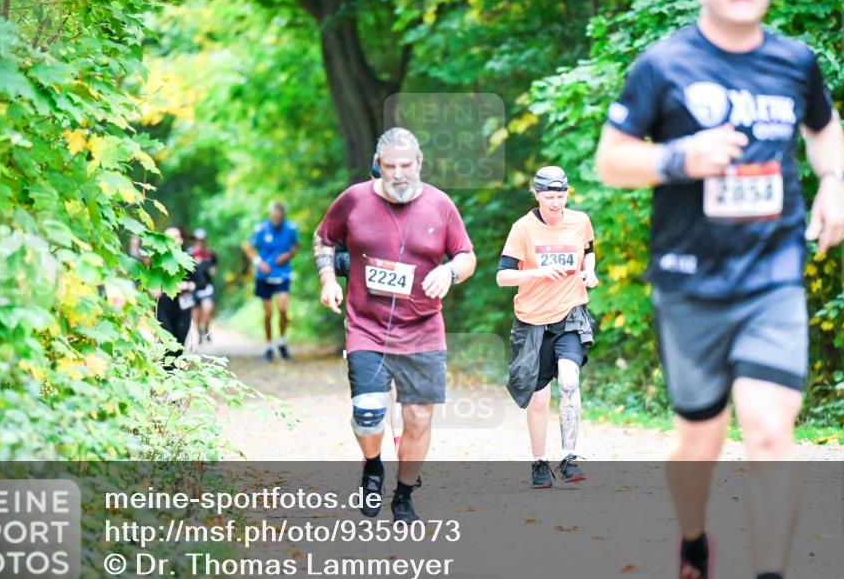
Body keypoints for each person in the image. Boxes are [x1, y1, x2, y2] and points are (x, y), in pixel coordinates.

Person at [594, 0, 844, 579]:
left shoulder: (796, 62)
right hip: (689, 281)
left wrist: (834, 182)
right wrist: (679, 157)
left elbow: (823, 129)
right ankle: (692, 546)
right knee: (699, 442)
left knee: (770, 431)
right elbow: (609, 158)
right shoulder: (663, 63)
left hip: (771, 277)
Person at [313, 127, 476, 523]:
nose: (399, 173)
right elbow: (324, 239)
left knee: (418, 417)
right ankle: (372, 466)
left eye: (406, 165)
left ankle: (403, 496)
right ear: (378, 165)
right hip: (366, 327)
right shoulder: (354, 200)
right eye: (390, 166)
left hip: (422, 329)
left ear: (419, 163)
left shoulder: (440, 205)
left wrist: (451, 272)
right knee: (368, 413)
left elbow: (467, 255)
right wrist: (328, 280)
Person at [497, 166, 598, 488]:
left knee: (569, 382)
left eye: (561, 195)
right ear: (536, 195)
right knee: (539, 399)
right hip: (532, 320)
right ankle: (539, 463)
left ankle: (569, 458)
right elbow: (502, 277)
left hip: (570, 312)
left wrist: (590, 273)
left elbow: (589, 253)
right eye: (549, 196)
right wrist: (537, 273)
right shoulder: (523, 229)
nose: (556, 203)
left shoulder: (580, 221)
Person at [243, 202, 299, 361]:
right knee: (268, 312)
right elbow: (249, 247)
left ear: (283, 217)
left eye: (280, 218)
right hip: (264, 275)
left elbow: (296, 246)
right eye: (274, 217)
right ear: (270, 216)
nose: (277, 220)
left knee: (282, 308)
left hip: (283, 274)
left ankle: (281, 341)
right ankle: (268, 346)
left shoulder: (290, 228)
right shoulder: (261, 229)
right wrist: (259, 263)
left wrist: (288, 255)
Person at [154, 227, 201, 364]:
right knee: (168, 341)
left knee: (179, 343)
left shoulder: (187, 260)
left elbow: (201, 282)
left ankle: (174, 377)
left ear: (180, 240)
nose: (172, 241)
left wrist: (186, 286)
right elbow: (148, 283)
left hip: (183, 307)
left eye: (175, 237)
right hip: (163, 306)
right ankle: (167, 374)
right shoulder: (157, 260)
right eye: (167, 238)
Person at [190, 228, 218, 344]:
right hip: (194, 288)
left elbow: (214, 269)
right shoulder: (190, 253)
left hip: (207, 287)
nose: (200, 242)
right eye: (198, 240)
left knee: (208, 309)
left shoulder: (211, 254)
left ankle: (205, 326)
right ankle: (200, 332)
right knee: (196, 315)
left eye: (202, 240)